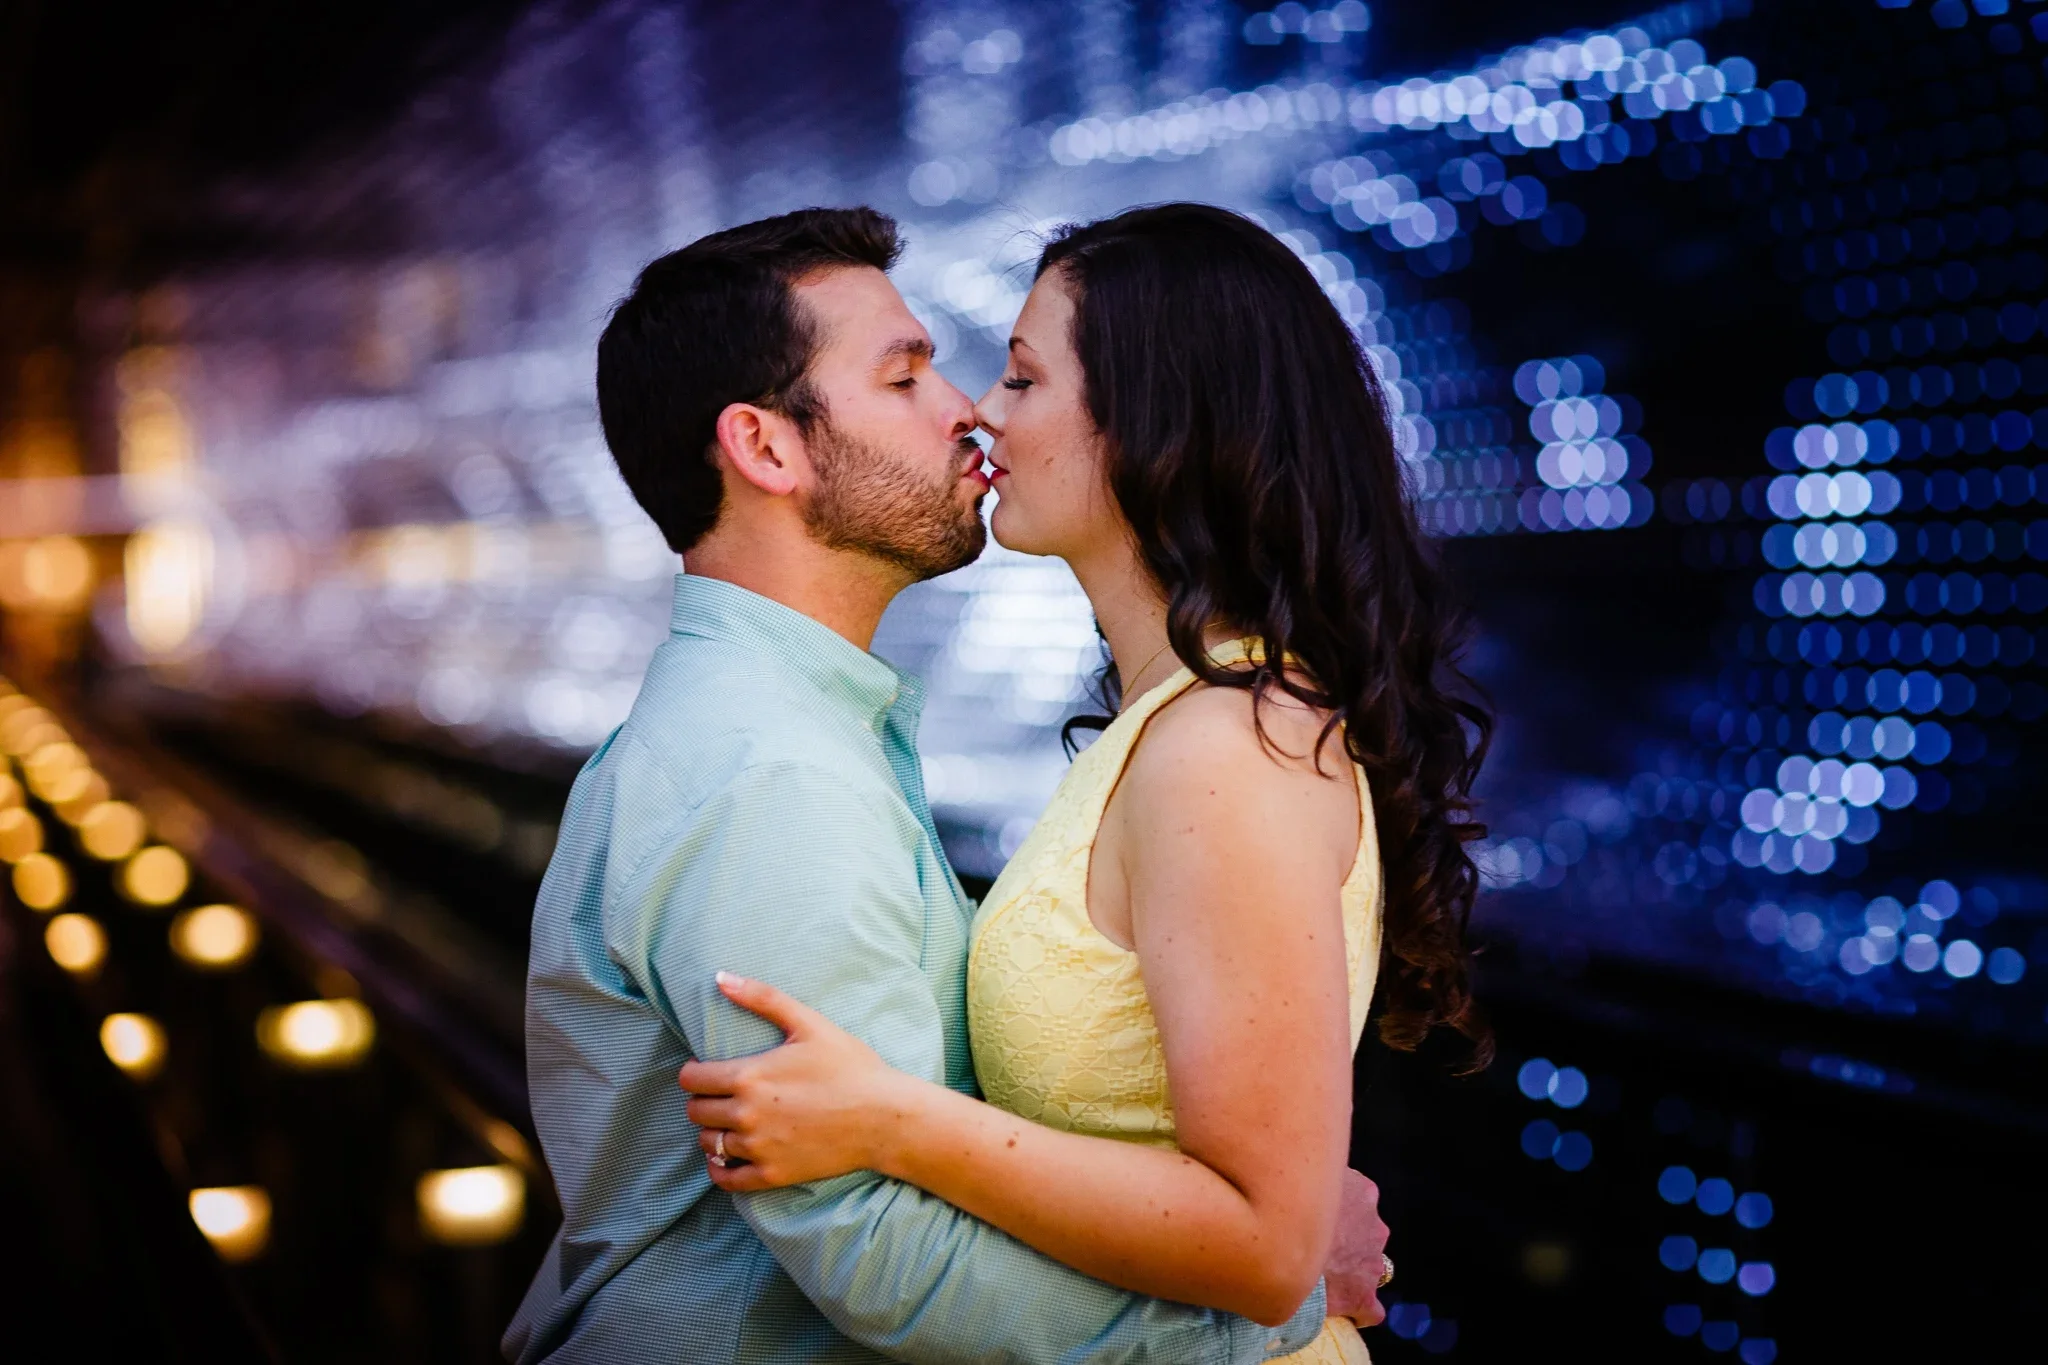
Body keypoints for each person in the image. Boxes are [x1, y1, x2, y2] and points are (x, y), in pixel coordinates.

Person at [503, 206, 1387, 1365]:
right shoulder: (771, 775)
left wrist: (1254, 1238)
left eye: (1014, 376)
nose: (967, 408)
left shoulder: (814, 733)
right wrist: (1271, 1300)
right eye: (906, 375)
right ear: (766, 449)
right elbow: (884, 1252)